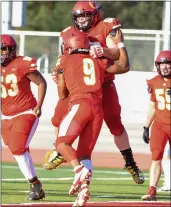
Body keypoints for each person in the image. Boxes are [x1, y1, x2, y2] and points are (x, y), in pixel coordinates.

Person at [43, 0, 144, 185]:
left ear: (95, 14)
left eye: (86, 16)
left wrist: (103, 50)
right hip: (78, 85)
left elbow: (120, 58)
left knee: (114, 122)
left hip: (103, 82)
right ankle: (60, 151)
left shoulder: (107, 27)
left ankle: (130, 162)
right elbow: (64, 57)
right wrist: (61, 74)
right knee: (57, 117)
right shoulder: (68, 33)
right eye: (79, 17)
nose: (82, 20)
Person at [53, 28, 130, 206]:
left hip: (80, 105)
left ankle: (79, 171)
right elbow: (124, 66)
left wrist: (61, 77)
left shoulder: (64, 59)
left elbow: (63, 95)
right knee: (84, 154)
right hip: (98, 109)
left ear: (69, 45)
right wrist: (120, 44)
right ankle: (84, 190)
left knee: (61, 143)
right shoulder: (97, 59)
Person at [1, 34, 47, 200]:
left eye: (8, 49)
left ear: (14, 50)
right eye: (2, 49)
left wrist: (39, 105)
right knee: (15, 148)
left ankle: (35, 184)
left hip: (26, 111)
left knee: (18, 148)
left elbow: (41, 82)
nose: (5, 52)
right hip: (5, 115)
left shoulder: (21, 64)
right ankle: (36, 186)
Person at [141, 50, 171, 201]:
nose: (165, 67)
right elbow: (152, 105)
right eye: (161, 64)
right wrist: (146, 126)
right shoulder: (154, 81)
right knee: (156, 158)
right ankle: (152, 191)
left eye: (167, 63)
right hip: (159, 125)